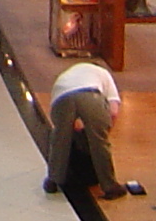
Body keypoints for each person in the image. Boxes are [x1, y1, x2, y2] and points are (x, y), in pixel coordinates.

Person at [44, 59, 143, 200]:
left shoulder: (68, 74)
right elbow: (113, 111)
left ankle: (53, 181)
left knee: (59, 140)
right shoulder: (104, 74)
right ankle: (110, 187)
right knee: (99, 143)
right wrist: (103, 132)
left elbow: (65, 121)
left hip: (60, 97)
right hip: (91, 94)